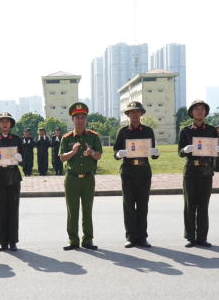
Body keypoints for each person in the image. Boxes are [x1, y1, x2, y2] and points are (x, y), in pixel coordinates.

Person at [177, 100, 219, 247]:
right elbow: (180, 152)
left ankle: (202, 237)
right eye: (196, 109)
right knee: (190, 206)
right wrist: (185, 150)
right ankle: (190, 237)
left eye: (202, 109)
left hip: (206, 170)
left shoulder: (211, 130)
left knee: (203, 205)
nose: (199, 111)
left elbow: (216, 149)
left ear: (205, 112)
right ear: (191, 112)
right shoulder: (185, 131)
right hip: (191, 170)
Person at [113, 102, 160, 248]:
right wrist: (119, 154)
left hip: (143, 170)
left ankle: (142, 237)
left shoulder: (148, 131)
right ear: (127, 114)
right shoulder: (122, 132)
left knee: (142, 205)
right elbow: (115, 152)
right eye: (131, 112)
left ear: (141, 113)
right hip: (128, 171)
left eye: (137, 111)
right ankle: (130, 236)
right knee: (128, 206)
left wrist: (156, 153)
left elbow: (152, 153)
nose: (134, 114)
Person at [59, 103, 102, 250]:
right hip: (72, 178)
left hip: (88, 178)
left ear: (86, 119)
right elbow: (62, 158)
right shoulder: (66, 138)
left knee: (87, 210)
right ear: (72, 120)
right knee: (72, 211)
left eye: (83, 117)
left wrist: (91, 153)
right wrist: (73, 152)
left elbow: (99, 155)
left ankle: (88, 240)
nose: (80, 120)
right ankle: (73, 240)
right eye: (77, 118)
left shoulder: (93, 137)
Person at [0, 112, 24, 251]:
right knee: (1, 210)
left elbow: (24, 161)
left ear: (11, 123)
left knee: (13, 210)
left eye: (7, 121)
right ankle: (2, 241)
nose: (4, 124)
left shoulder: (17, 139)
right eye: (2, 121)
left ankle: (13, 241)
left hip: (13, 177)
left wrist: (20, 159)